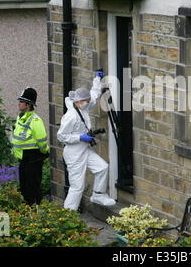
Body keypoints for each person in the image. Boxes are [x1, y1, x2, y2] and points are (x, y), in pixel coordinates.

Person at [57, 70, 116, 210]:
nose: (88, 104)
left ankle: (98, 194)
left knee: (102, 167)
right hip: (74, 153)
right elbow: (61, 136)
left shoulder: (83, 107)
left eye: (88, 101)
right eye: (86, 102)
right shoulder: (71, 116)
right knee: (77, 187)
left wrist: (97, 79)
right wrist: (79, 137)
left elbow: (94, 94)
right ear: (78, 101)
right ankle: (67, 216)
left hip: (84, 149)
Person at [11, 87, 49, 205]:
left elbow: (42, 141)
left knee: (33, 187)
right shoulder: (20, 117)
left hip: (33, 158)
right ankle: (28, 210)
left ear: (28, 104)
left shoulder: (35, 121)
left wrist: (44, 151)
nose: (19, 103)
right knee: (24, 188)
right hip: (23, 158)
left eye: (21, 101)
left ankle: (36, 211)